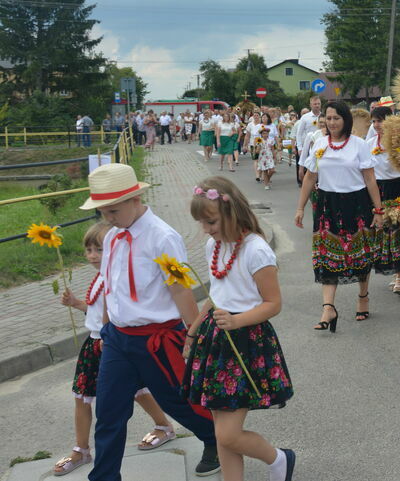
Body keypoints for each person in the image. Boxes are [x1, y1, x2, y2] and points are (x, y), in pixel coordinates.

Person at [77, 163, 220, 479]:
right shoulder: (113, 237)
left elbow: (181, 291)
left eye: (113, 210)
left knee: (177, 402)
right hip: (117, 338)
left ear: (135, 199)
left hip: (158, 337)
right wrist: (103, 331)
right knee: (110, 412)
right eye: (102, 212)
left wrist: (195, 337)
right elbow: (110, 288)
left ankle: (216, 438)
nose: (107, 218)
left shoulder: (162, 237)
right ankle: (104, 477)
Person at [183, 177, 296, 481]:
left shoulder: (256, 250)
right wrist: (193, 331)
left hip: (245, 339)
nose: (206, 230)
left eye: (210, 221)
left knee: (229, 434)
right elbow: (216, 295)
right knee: (222, 431)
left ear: (231, 212)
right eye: (202, 223)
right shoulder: (214, 246)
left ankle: (278, 458)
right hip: (216, 337)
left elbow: (273, 303)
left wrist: (236, 321)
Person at [52, 222, 177, 477]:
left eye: (98, 249)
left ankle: (164, 426)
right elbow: (96, 311)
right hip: (95, 342)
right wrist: (77, 303)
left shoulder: (115, 276)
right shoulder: (100, 278)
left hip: (112, 343)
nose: (93, 256)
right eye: (89, 250)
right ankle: (82, 449)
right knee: (82, 396)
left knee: (138, 392)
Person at [294, 100, 384, 330]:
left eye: (336, 118)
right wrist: (300, 208)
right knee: (327, 258)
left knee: (360, 257)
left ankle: (363, 297)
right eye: (329, 118)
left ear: (346, 120)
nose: (332, 122)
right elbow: (310, 178)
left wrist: (378, 210)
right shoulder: (320, 144)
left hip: (357, 205)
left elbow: (370, 179)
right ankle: (328, 308)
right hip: (327, 206)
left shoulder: (359, 145)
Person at [368, 105, 400, 295]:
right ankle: (393, 272)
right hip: (378, 191)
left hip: (398, 189)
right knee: (383, 235)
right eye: (375, 121)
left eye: (381, 120)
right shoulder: (368, 144)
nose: (378, 125)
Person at [294, 96, 322, 186]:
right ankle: (305, 183)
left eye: (318, 104)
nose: (317, 106)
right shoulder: (305, 118)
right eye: (315, 104)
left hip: (321, 145)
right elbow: (299, 133)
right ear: (310, 105)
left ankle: (318, 184)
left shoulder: (324, 116)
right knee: (308, 166)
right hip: (308, 146)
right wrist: (300, 147)